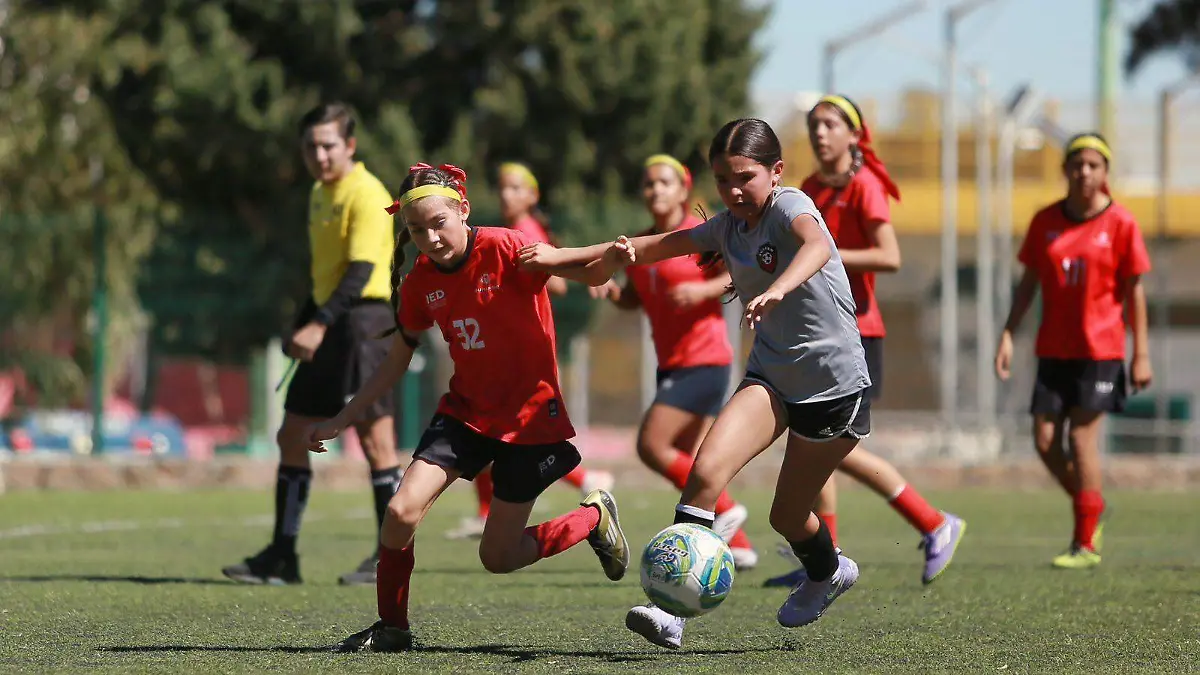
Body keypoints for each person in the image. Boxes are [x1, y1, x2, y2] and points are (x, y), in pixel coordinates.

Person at [521, 118, 869, 649]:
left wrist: (777, 290)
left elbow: (818, 246)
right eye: (722, 179)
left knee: (787, 515)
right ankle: (673, 613)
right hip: (771, 376)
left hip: (833, 386)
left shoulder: (791, 204)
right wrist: (556, 258)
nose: (732, 191)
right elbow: (642, 248)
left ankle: (828, 572)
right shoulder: (726, 227)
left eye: (744, 177)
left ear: (775, 172)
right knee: (704, 473)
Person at [308, 162, 629, 652]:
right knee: (400, 510)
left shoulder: (503, 245)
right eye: (417, 230)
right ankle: (393, 627)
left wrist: (610, 255)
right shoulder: (419, 281)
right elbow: (397, 358)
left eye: (439, 223)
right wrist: (344, 416)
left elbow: (578, 266)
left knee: (497, 557)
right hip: (466, 414)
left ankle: (591, 518)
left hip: (528, 420)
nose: (430, 237)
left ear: (463, 210)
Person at [764, 95, 965, 588]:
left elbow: (889, 255)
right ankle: (821, 561)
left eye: (831, 124)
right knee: (815, 446)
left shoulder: (865, 186)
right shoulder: (809, 187)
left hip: (858, 332)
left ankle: (933, 522)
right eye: (814, 125)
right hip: (817, 333)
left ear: (855, 135)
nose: (820, 133)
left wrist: (825, 254)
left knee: (829, 446)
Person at [222, 102, 405, 587]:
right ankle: (283, 556)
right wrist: (304, 323)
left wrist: (318, 324)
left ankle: (391, 558)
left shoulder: (367, 193)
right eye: (310, 146)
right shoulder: (318, 195)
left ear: (350, 145)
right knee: (292, 435)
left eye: (328, 145)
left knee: (376, 441)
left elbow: (362, 270)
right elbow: (326, 278)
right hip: (331, 317)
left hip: (365, 321)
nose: (319, 155)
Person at [588, 153, 757, 569]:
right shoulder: (643, 244)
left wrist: (703, 292)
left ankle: (728, 510)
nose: (655, 190)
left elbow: (742, 272)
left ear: (684, 190)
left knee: (651, 446)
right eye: (648, 184)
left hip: (705, 359)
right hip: (673, 363)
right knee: (694, 457)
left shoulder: (699, 235)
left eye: (664, 182)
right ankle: (742, 546)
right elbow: (636, 299)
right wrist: (613, 292)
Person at [995, 132, 1152, 570]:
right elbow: (1028, 285)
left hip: (1101, 349)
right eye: (1076, 164)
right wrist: (1008, 332)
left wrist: (1141, 353)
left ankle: (1085, 543)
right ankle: (1092, 504)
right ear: (1065, 170)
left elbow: (1134, 292)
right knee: (1045, 442)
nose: (1084, 172)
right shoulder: (1046, 220)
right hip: (1053, 349)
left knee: (1081, 437)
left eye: (1093, 165)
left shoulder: (1121, 223)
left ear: (1104, 172)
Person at [444, 161, 615, 540]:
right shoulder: (502, 230)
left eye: (517, 188)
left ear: (533, 196)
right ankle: (488, 512)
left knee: (510, 436)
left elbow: (553, 282)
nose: (507, 194)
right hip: (500, 350)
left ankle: (587, 482)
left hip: (521, 350)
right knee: (496, 435)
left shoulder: (525, 231)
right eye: (503, 187)